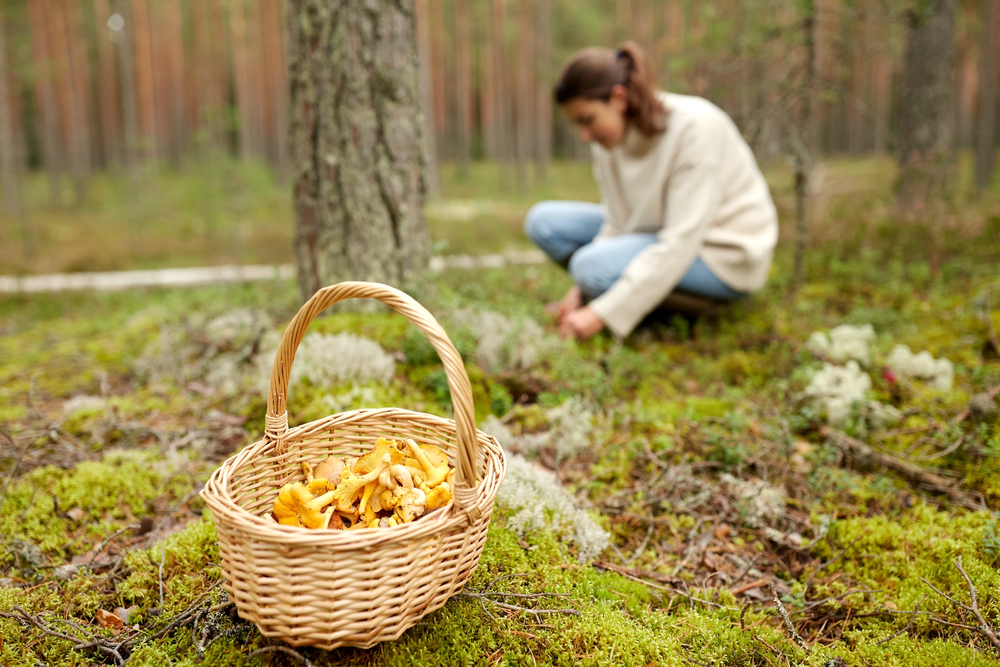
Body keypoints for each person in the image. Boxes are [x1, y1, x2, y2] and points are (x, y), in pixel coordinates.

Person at [524, 41, 778, 341]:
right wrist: (581, 292)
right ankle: (630, 295)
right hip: (657, 235)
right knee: (543, 222)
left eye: (587, 120)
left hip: (722, 256)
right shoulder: (608, 141)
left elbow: (680, 241)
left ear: (618, 98)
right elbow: (617, 224)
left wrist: (600, 314)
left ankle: (678, 309)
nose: (584, 135)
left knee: (589, 266)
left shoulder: (694, 129)